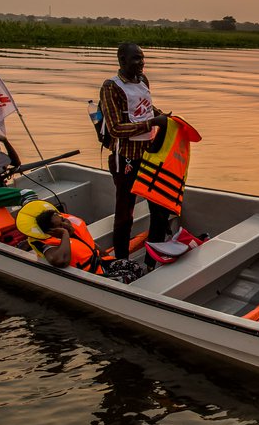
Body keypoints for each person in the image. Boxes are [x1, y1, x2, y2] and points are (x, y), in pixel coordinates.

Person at [99, 43, 172, 268]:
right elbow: (115, 129)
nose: (140, 63)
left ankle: (152, 260)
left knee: (160, 210)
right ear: (121, 60)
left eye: (142, 58)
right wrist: (152, 123)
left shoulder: (143, 80)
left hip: (149, 156)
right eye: (135, 59)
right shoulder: (111, 87)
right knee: (125, 215)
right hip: (125, 159)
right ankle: (122, 261)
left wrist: (165, 117)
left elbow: (146, 108)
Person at [16, 201, 147, 283]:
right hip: (89, 276)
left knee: (133, 266)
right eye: (60, 225)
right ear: (52, 231)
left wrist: (108, 258)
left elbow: (91, 246)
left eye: (63, 219)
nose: (65, 223)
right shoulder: (48, 244)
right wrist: (65, 235)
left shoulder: (72, 227)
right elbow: (60, 261)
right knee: (128, 276)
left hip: (101, 264)